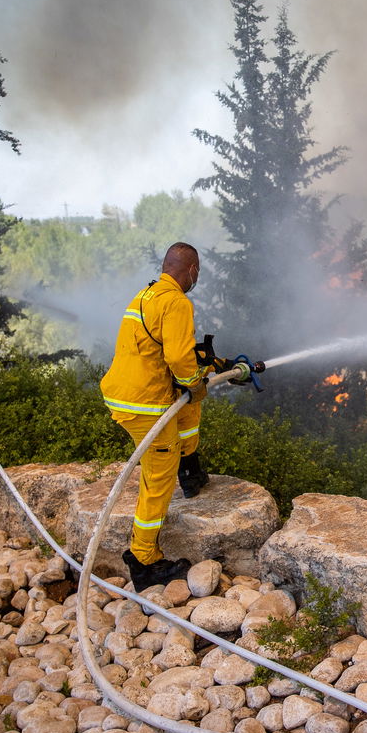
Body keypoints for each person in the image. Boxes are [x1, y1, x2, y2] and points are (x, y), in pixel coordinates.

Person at [100, 242, 213, 590]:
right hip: (145, 404)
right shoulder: (177, 302)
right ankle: (144, 560)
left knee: (187, 404)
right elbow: (179, 359)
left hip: (125, 392)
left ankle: (189, 468)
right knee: (158, 476)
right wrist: (196, 383)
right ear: (191, 270)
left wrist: (197, 377)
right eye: (196, 273)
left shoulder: (146, 295)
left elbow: (158, 349)